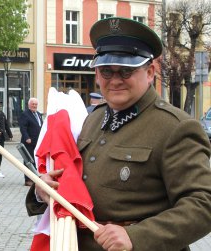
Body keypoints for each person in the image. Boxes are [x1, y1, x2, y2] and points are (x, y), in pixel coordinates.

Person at [26, 17, 211, 251]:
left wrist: (136, 236)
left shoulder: (175, 127)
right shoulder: (91, 119)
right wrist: (41, 191)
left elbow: (203, 205)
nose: (115, 81)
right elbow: (70, 180)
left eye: (125, 71)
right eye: (106, 71)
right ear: (96, 74)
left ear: (150, 71)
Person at [18, 97, 42, 186]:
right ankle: (28, 180)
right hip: (28, 142)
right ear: (29, 105)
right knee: (28, 160)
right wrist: (26, 137)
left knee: (35, 160)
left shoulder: (38, 114)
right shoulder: (25, 114)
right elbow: (23, 127)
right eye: (33, 104)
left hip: (37, 142)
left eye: (36, 104)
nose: (34, 106)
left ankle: (34, 177)